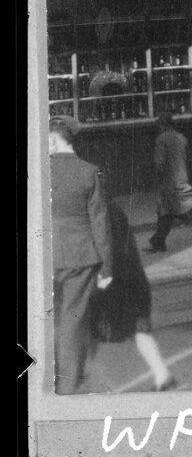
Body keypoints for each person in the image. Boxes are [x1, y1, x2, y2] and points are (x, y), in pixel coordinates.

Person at [49, 115, 114, 395]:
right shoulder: (89, 172)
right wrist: (107, 269)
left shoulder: (39, 171)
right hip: (80, 256)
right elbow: (101, 224)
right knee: (72, 319)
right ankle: (66, 384)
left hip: (44, 256)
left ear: (52, 140)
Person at [95, 201, 177, 391]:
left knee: (85, 331)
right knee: (139, 326)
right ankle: (162, 374)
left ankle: (96, 387)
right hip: (130, 277)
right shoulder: (112, 209)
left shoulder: (102, 212)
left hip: (113, 278)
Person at [146, 111, 192, 252]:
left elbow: (160, 164)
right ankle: (158, 242)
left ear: (161, 125)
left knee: (182, 212)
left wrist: (157, 179)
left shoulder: (161, 139)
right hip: (181, 177)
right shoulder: (181, 137)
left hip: (169, 181)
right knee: (165, 211)